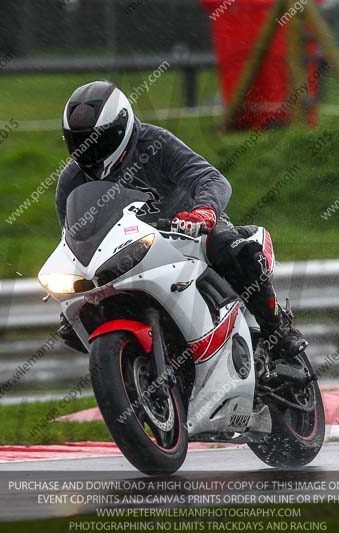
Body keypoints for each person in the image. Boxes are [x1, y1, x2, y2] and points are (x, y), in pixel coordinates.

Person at [55, 80, 306, 358]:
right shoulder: (71, 179)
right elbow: (73, 236)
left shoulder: (155, 143)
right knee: (71, 323)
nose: (89, 150)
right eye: (79, 141)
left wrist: (204, 212)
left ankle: (277, 330)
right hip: (125, 252)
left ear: (120, 128)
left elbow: (211, 179)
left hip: (187, 233)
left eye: (98, 140)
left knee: (232, 249)